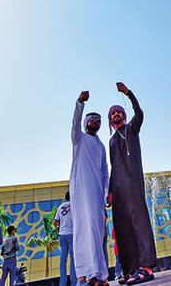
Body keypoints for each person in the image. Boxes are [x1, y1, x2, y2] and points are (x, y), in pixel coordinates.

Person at [107, 82, 157, 285]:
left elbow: (140, 112)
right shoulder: (111, 141)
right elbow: (113, 167)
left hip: (133, 185)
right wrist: (110, 191)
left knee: (139, 223)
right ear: (110, 120)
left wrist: (129, 94)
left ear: (124, 115)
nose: (116, 115)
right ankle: (130, 269)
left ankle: (145, 267)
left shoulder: (132, 129)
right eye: (113, 114)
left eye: (119, 112)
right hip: (117, 189)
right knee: (123, 228)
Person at [70, 91, 109, 286]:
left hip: (95, 193)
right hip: (80, 190)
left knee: (94, 229)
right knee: (81, 231)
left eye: (98, 120)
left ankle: (96, 275)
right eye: (92, 119)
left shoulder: (101, 146)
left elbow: (104, 171)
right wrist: (80, 103)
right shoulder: (79, 139)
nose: (95, 121)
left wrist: (106, 192)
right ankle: (83, 276)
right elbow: (74, 124)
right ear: (86, 122)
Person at [53, 192, 74, 286]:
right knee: (73, 259)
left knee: (63, 260)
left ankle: (63, 283)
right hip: (71, 233)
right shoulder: (74, 205)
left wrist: (61, 225)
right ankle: (74, 282)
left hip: (62, 235)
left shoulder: (60, 207)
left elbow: (55, 222)